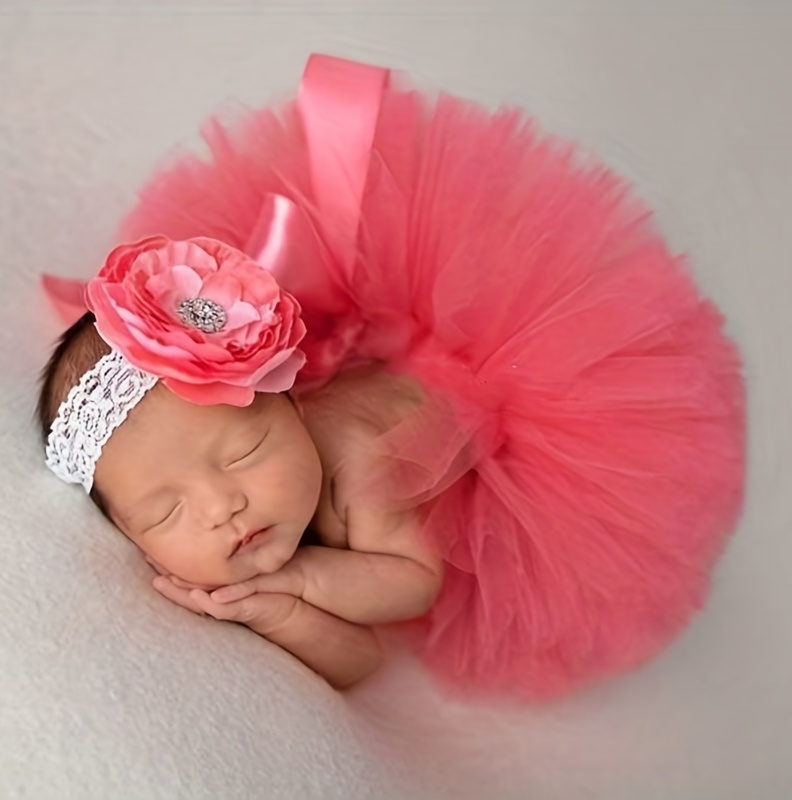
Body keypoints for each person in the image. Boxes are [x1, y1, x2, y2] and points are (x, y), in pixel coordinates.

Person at [37, 53, 746, 700]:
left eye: (243, 452)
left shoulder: (363, 472)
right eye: (164, 513)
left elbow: (411, 584)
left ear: (285, 399)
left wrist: (303, 577)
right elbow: (357, 665)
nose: (221, 506)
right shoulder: (243, 532)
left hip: (486, 392)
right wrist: (275, 610)